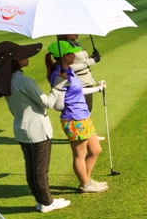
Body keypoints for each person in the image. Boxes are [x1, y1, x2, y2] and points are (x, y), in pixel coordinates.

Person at [0, 41, 71, 213]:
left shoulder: (7, 80)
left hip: (22, 130)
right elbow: (48, 102)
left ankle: (41, 201)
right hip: (37, 131)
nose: (26, 57)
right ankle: (47, 203)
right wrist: (58, 83)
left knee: (32, 169)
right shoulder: (23, 81)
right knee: (41, 170)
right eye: (22, 56)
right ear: (15, 60)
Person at [46, 40, 108, 193]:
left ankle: (86, 181)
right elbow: (58, 105)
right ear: (65, 56)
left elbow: (77, 91)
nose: (75, 55)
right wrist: (61, 83)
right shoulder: (59, 75)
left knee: (95, 150)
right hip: (74, 119)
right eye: (72, 53)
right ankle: (85, 184)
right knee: (80, 155)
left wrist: (97, 89)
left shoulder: (69, 70)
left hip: (83, 116)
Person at [54, 34, 104, 140]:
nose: (77, 32)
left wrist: (91, 57)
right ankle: (87, 135)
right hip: (79, 81)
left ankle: (90, 134)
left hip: (87, 79)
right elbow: (70, 67)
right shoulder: (64, 46)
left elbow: (80, 61)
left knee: (88, 108)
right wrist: (91, 61)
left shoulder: (76, 43)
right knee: (83, 108)